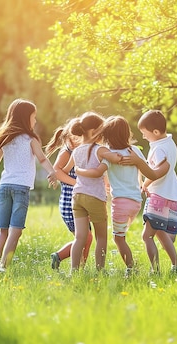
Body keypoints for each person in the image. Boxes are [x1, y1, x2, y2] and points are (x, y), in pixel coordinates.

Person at [75, 115, 169, 277]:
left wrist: (81, 172)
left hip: (120, 204)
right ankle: (148, 268)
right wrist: (141, 184)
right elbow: (145, 172)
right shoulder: (135, 152)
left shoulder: (109, 155)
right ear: (127, 133)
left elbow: (101, 172)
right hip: (136, 203)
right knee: (125, 235)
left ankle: (131, 269)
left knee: (119, 239)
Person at [0, 98, 57, 274]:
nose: (35, 120)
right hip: (21, 188)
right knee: (16, 231)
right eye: (33, 117)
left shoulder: (5, 139)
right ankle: (3, 268)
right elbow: (42, 158)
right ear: (25, 118)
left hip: (5, 186)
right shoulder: (30, 139)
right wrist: (52, 172)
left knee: (3, 231)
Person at [124, 110, 177, 274]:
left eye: (145, 133)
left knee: (147, 236)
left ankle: (155, 270)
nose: (143, 137)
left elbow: (159, 171)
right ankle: (176, 266)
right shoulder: (170, 144)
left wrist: (146, 181)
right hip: (169, 194)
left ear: (156, 132)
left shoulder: (158, 149)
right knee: (159, 233)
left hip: (158, 196)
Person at [66, 112, 121, 273]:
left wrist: (78, 170)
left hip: (77, 197)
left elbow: (67, 169)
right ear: (94, 131)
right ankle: (100, 270)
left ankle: (74, 271)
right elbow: (116, 158)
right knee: (101, 237)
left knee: (79, 237)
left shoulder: (76, 151)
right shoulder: (100, 150)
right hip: (94, 197)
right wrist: (113, 157)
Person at [44, 118, 93, 270]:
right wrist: (77, 183)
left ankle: (79, 267)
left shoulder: (82, 150)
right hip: (69, 203)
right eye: (78, 137)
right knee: (85, 238)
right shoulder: (66, 152)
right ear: (70, 137)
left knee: (87, 239)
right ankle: (61, 257)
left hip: (81, 201)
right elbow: (57, 171)